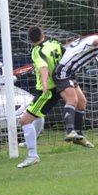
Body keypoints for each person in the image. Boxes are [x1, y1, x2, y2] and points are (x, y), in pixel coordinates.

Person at [53, 31, 98, 148]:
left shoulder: (87, 41)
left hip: (70, 74)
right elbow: (95, 41)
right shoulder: (93, 40)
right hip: (63, 71)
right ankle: (70, 131)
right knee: (72, 100)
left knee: (82, 102)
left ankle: (78, 135)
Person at [16, 26, 64, 168]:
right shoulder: (54, 43)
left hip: (46, 91)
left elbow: (43, 67)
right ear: (43, 34)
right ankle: (32, 140)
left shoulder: (36, 51)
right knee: (38, 115)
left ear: (30, 40)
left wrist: (44, 82)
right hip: (58, 85)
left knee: (25, 120)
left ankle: (32, 155)